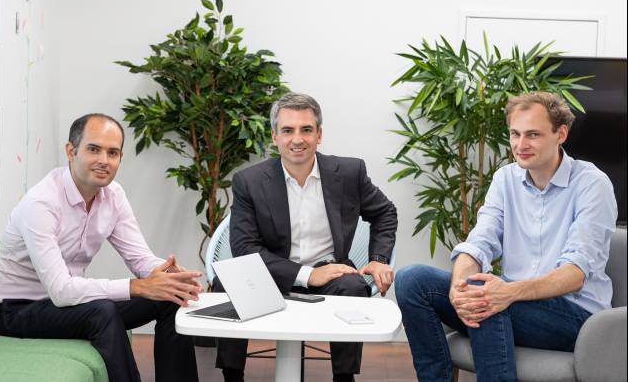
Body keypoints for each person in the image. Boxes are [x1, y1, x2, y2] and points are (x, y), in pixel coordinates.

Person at [395, 92, 618, 382]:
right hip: (513, 306)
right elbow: (479, 243)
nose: (520, 145)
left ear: (561, 134)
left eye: (533, 135)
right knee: (412, 280)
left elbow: (574, 274)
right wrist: (458, 288)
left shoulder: (592, 184)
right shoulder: (505, 178)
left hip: (574, 316)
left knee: (487, 296)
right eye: (515, 133)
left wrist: (507, 292)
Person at [0, 113, 203, 382]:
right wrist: (138, 286)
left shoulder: (114, 195)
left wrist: (167, 275)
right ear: (71, 151)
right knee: (102, 312)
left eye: (112, 153)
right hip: (16, 310)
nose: (104, 160)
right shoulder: (41, 203)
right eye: (93, 149)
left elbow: (138, 257)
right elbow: (61, 291)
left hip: (69, 305)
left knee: (170, 297)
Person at [215, 92, 398, 382]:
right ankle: (232, 375)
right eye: (288, 130)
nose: (297, 139)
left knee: (353, 286)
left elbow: (385, 212)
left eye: (306, 130)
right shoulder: (248, 182)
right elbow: (245, 248)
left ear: (319, 134)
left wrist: (378, 259)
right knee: (226, 282)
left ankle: (344, 377)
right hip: (272, 275)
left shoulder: (349, 172)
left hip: (332, 273)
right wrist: (308, 275)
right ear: (275, 136)